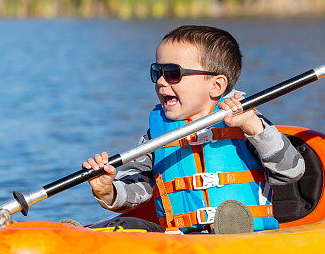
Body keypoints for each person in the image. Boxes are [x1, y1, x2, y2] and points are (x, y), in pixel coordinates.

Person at [82, 25, 305, 234]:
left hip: (246, 239)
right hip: (181, 240)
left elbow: (290, 172)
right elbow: (136, 187)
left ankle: (231, 237)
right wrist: (107, 190)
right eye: (156, 72)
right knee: (125, 226)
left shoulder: (247, 122)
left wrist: (253, 126)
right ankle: (80, 240)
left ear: (216, 86)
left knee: (231, 228)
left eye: (172, 73)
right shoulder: (157, 133)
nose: (160, 81)